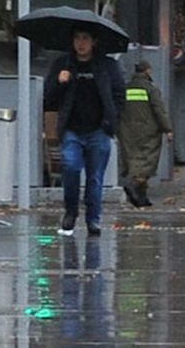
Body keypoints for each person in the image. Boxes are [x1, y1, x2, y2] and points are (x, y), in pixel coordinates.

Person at [44, 26, 125, 237]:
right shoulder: (63, 65)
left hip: (99, 129)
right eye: (77, 38)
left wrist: (111, 121)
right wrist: (59, 83)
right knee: (70, 168)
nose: (81, 43)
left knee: (95, 178)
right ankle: (70, 211)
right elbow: (49, 99)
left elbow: (118, 95)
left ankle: (93, 219)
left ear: (94, 41)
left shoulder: (107, 66)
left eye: (85, 38)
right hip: (72, 130)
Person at [118, 59, 173, 208]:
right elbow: (159, 110)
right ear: (147, 70)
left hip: (127, 130)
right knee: (146, 163)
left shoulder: (126, 88)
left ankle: (142, 198)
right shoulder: (150, 89)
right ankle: (133, 186)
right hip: (148, 131)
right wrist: (167, 129)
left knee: (133, 159)